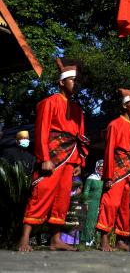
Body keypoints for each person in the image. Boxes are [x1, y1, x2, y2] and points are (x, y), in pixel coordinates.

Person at [18, 58, 88, 252]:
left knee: (63, 199)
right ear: (61, 82)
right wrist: (45, 158)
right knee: (41, 193)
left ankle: (55, 239)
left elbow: (80, 137)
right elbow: (41, 131)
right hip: (52, 157)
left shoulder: (78, 110)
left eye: (77, 80)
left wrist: (79, 161)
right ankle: (24, 239)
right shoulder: (49, 102)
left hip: (69, 158)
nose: (75, 83)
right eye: (72, 79)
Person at [95, 88, 130, 251]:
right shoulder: (114, 125)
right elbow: (109, 151)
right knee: (111, 203)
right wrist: (108, 176)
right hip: (117, 169)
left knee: (127, 205)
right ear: (124, 106)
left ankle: (121, 239)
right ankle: (104, 239)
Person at [81, 160, 104, 247]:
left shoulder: (105, 180)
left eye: (103, 168)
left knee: (98, 221)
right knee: (89, 221)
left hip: (100, 203)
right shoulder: (91, 178)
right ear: (97, 167)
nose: (101, 169)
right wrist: (85, 202)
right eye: (100, 167)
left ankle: (96, 240)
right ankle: (87, 240)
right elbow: (86, 191)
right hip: (91, 203)